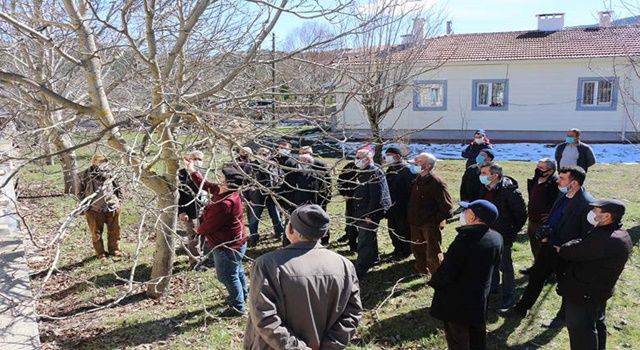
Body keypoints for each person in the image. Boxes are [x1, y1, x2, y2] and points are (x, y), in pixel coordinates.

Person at [244, 204, 362, 349]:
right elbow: (352, 314)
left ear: (290, 229)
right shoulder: (345, 265)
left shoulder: (267, 265)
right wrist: (330, 346)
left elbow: (264, 317)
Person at [501, 166, 594, 329]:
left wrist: (567, 248)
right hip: (548, 246)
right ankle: (521, 309)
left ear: (574, 183)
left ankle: (563, 317)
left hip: (565, 252)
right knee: (536, 277)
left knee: (566, 286)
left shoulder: (585, 203)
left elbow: (585, 234)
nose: (558, 180)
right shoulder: (564, 194)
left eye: (563, 178)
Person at [557, 199, 632, 350]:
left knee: (581, 332)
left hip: (583, 294)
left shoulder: (604, 239)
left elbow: (569, 251)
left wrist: (569, 245)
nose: (592, 213)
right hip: (599, 291)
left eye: (596, 211)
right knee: (597, 323)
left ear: (607, 216)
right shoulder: (620, 234)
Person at [428, 200, 502, 350]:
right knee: (477, 336)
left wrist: (434, 281)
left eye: (466, 211)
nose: (463, 213)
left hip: (457, 303)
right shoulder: (496, 238)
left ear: (474, 217)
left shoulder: (465, 241)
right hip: (479, 299)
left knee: (458, 339)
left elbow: (448, 271)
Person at [183, 158, 248, 317]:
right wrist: (192, 171)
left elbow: (209, 226)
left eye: (222, 178)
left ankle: (237, 307)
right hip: (237, 242)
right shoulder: (229, 192)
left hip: (227, 246)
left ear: (228, 183)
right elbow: (207, 186)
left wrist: (197, 230)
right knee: (237, 270)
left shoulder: (224, 204)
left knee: (226, 276)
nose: (219, 179)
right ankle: (243, 295)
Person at [478, 162, 527, 310]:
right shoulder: (485, 188)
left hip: (503, 235)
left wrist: (511, 231)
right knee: (489, 262)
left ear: (494, 175)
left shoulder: (509, 192)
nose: (481, 176)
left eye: (484, 173)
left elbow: (521, 215)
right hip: (486, 233)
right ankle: (493, 287)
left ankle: (509, 297)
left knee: (505, 267)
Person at [407, 152, 453, 275]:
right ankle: (422, 271)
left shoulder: (437, 182)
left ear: (428, 166)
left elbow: (447, 207)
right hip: (415, 222)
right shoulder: (418, 179)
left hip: (429, 224)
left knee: (432, 252)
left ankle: (438, 275)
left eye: (419, 162)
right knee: (417, 249)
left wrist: (433, 221)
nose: (415, 164)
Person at [351, 145, 391, 278]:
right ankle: (373, 258)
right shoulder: (362, 170)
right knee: (369, 237)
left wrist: (370, 215)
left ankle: (361, 267)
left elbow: (377, 196)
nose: (356, 160)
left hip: (369, 212)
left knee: (364, 239)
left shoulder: (374, 172)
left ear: (368, 159)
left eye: (359, 158)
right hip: (361, 210)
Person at [78, 153, 123, 259]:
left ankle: (114, 250)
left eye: (105, 161)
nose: (103, 164)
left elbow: (119, 189)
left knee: (115, 230)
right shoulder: (83, 175)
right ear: (94, 162)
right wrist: (84, 207)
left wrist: (118, 202)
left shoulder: (112, 173)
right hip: (94, 208)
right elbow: (79, 193)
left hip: (112, 206)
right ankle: (100, 253)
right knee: (96, 233)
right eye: (100, 161)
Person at [520, 158, 559, 274]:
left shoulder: (555, 184)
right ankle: (537, 267)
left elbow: (559, 201)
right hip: (532, 219)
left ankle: (550, 272)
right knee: (534, 245)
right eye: (537, 166)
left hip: (544, 223)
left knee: (545, 248)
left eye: (541, 168)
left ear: (550, 171)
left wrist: (552, 215)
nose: (537, 169)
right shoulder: (535, 180)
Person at [245, 148, 284, 247]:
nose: (263, 155)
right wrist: (246, 198)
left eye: (265, 153)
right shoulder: (250, 166)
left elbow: (281, 177)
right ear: (257, 154)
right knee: (254, 218)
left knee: (276, 216)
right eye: (261, 153)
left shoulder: (274, 165)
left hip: (272, 195)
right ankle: (253, 237)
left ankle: (280, 234)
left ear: (269, 155)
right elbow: (244, 183)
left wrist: (277, 190)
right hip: (256, 197)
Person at [178, 150, 210, 267]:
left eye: (200, 159)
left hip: (204, 209)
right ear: (189, 160)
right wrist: (181, 211)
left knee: (203, 235)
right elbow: (178, 195)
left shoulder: (203, 172)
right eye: (195, 158)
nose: (198, 161)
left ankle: (201, 256)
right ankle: (195, 263)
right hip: (190, 211)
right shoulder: (181, 174)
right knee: (193, 236)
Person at [383, 146, 415, 260]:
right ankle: (397, 249)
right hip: (391, 206)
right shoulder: (390, 169)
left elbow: (410, 189)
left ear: (398, 156)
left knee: (404, 229)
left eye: (390, 155)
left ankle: (406, 250)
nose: (387, 158)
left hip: (403, 206)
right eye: (386, 155)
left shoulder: (406, 170)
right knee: (392, 229)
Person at [337, 159, 359, 251]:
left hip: (364, 201)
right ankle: (352, 242)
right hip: (350, 199)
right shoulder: (349, 166)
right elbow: (340, 181)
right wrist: (344, 193)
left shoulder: (372, 168)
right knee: (351, 221)